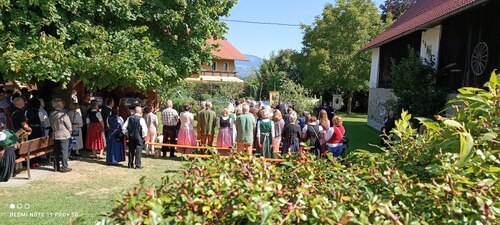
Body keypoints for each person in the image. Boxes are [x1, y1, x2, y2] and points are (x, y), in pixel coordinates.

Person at [49, 98, 72, 173]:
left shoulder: (51, 114)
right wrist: (70, 131)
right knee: (64, 151)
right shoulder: (63, 114)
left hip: (55, 134)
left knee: (56, 151)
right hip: (63, 134)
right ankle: (64, 167)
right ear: (59, 105)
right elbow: (68, 125)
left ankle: (56, 166)